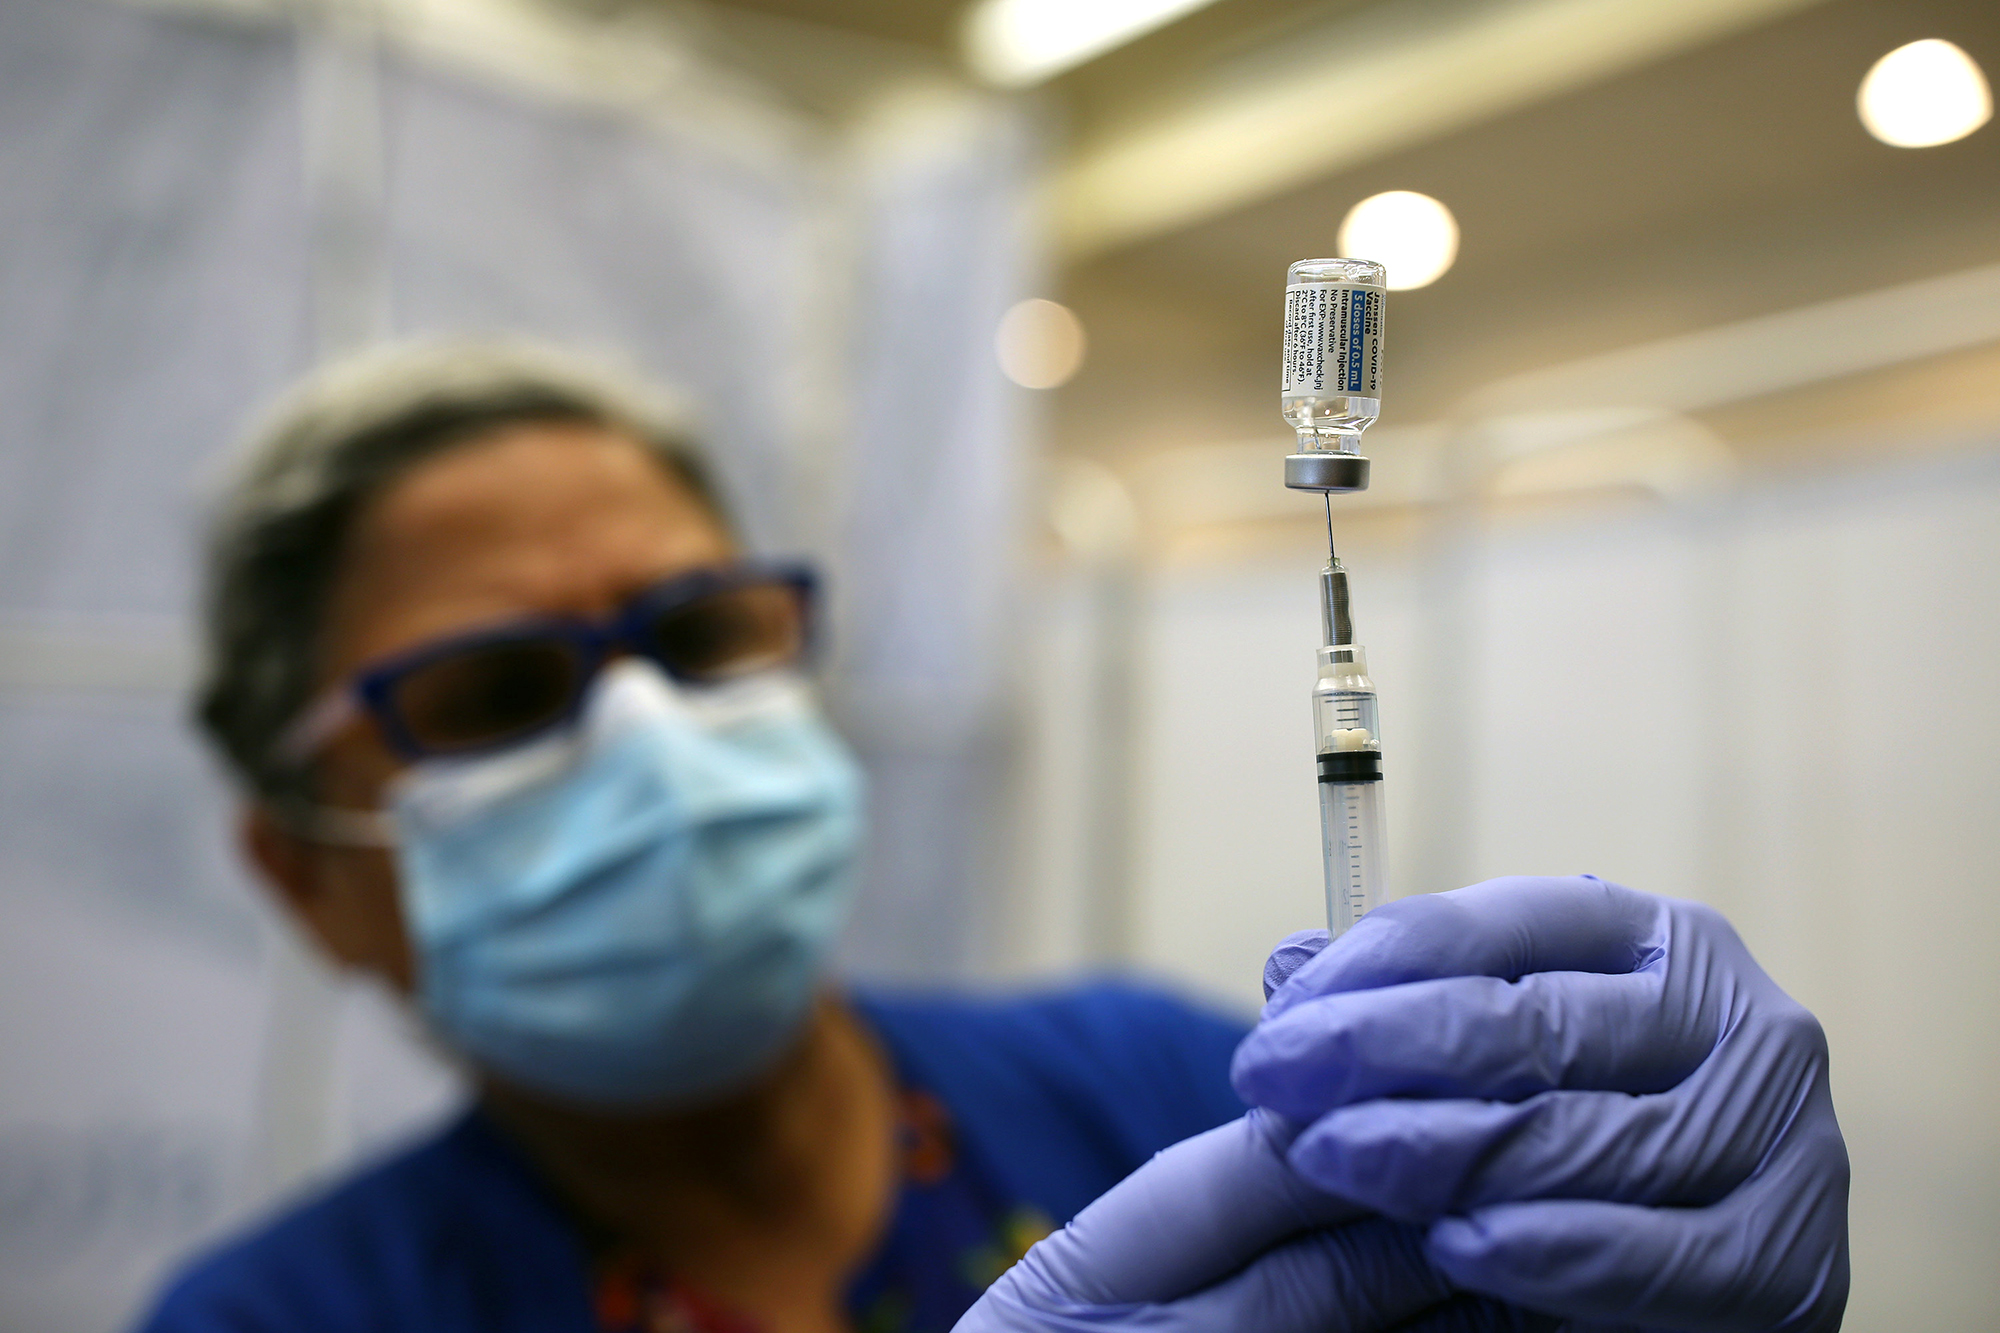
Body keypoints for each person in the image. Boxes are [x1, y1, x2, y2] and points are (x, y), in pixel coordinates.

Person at [138, 342, 1847, 1333]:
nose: (651, 736)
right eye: (500, 685)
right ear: (306, 870)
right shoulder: (283, 1317)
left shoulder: (1161, 1082)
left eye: (706, 631)